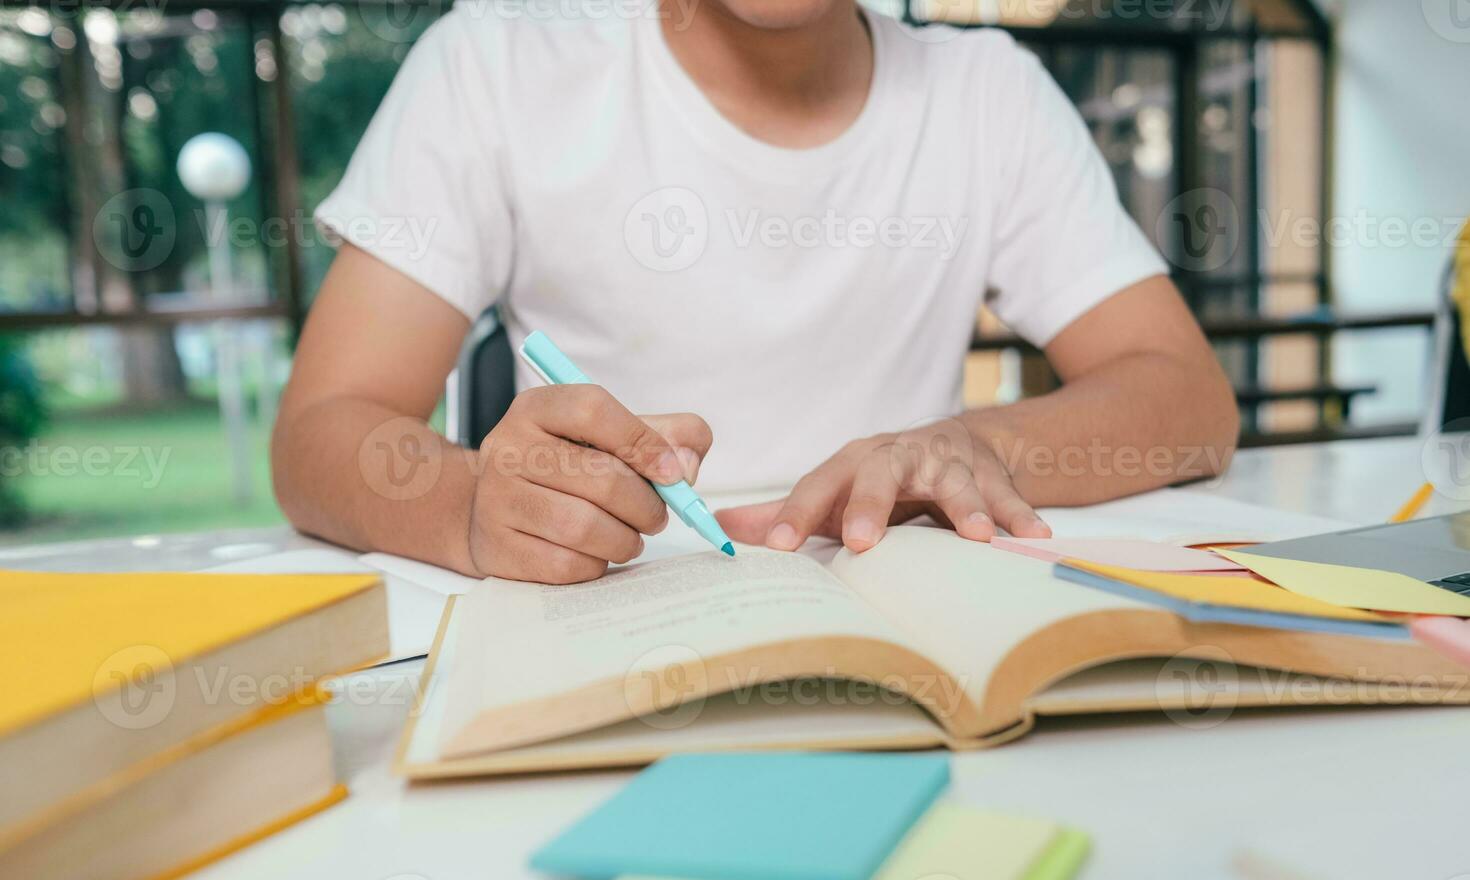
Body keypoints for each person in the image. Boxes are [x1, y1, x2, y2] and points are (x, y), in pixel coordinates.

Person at [271, 0, 1239, 584]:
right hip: (607, 615)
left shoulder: (988, 90)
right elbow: (323, 427)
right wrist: (468, 506)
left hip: (911, 616)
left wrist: (966, 446)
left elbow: (1186, 397)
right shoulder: (495, 63)